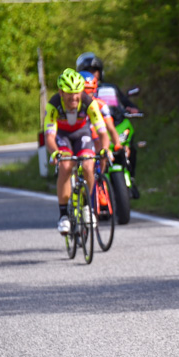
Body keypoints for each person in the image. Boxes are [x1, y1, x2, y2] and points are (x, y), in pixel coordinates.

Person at [44, 68, 111, 234]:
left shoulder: (89, 102)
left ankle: (88, 207)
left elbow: (103, 132)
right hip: (63, 136)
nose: (73, 97)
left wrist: (105, 150)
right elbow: (50, 137)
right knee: (66, 167)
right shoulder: (53, 105)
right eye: (68, 93)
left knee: (89, 165)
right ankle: (63, 216)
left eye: (77, 93)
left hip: (82, 134)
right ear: (60, 92)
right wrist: (55, 153)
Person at [76, 52, 142, 197]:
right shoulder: (79, 94)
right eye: (88, 71)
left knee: (132, 147)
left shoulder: (110, 88)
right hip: (93, 132)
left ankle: (131, 177)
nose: (92, 74)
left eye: (95, 71)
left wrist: (130, 107)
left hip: (113, 125)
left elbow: (123, 102)